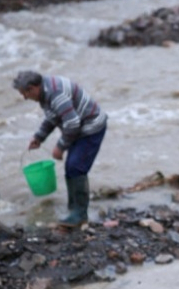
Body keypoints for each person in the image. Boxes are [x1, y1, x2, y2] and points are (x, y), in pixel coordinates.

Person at [12, 70, 108, 228]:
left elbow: (72, 123)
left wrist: (60, 147)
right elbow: (52, 117)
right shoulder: (45, 91)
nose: (24, 98)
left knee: (76, 167)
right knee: (72, 166)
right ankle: (74, 209)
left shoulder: (55, 94)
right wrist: (39, 137)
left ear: (32, 88)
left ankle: (79, 215)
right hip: (80, 128)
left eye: (24, 93)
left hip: (91, 126)